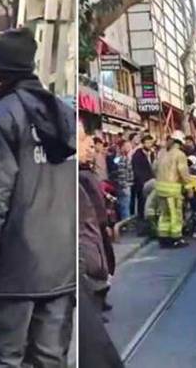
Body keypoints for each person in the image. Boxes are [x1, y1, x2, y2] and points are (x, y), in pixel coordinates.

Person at [0, 28, 76, 366]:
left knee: (2, 358)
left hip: (13, 270)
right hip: (60, 266)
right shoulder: (64, 114)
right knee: (49, 359)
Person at [79, 121, 111, 313]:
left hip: (95, 229)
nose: (91, 151)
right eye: (87, 145)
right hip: (91, 231)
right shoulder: (81, 175)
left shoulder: (86, 172)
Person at [154, 130, 193, 248]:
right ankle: (176, 238)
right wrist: (189, 188)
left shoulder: (162, 154)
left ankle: (163, 238)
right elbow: (184, 173)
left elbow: (154, 168)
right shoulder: (180, 155)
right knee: (175, 215)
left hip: (160, 189)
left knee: (164, 215)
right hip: (173, 189)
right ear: (181, 143)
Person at [131, 135, 156, 222]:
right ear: (143, 143)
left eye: (151, 142)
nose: (149, 145)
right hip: (142, 183)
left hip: (152, 182)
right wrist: (143, 182)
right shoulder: (137, 155)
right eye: (147, 142)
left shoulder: (152, 154)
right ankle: (142, 221)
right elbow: (137, 170)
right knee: (142, 203)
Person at [111, 140, 133, 221]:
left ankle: (124, 224)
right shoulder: (124, 159)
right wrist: (127, 185)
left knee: (123, 207)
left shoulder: (119, 159)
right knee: (125, 208)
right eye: (127, 146)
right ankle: (126, 224)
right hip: (125, 186)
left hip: (121, 186)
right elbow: (125, 173)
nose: (129, 148)